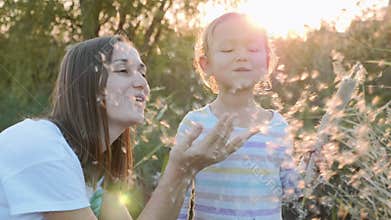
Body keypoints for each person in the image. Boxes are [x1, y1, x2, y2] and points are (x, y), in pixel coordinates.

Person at [0, 35, 259, 220]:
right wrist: (179, 169)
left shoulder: (94, 170)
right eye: (123, 71)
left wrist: (184, 169)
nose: (142, 84)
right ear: (89, 87)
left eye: (142, 73)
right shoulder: (43, 146)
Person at [176, 13, 303, 220]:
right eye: (228, 49)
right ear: (205, 64)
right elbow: (178, 197)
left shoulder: (278, 126)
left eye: (252, 49)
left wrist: (311, 168)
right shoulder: (195, 124)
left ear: (267, 62)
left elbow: (291, 192)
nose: (242, 56)